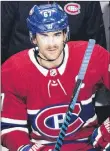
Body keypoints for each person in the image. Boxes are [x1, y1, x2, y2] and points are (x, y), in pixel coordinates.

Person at [1, 3, 110, 151]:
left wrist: (106, 132)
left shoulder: (92, 55)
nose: (51, 44)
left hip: (91, 144)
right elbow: (12, 128)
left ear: (65, 34)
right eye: (44, 35)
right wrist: (27, 148)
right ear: (33, 38)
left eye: (57, 34)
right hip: (42, 146)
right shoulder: (13, 69)